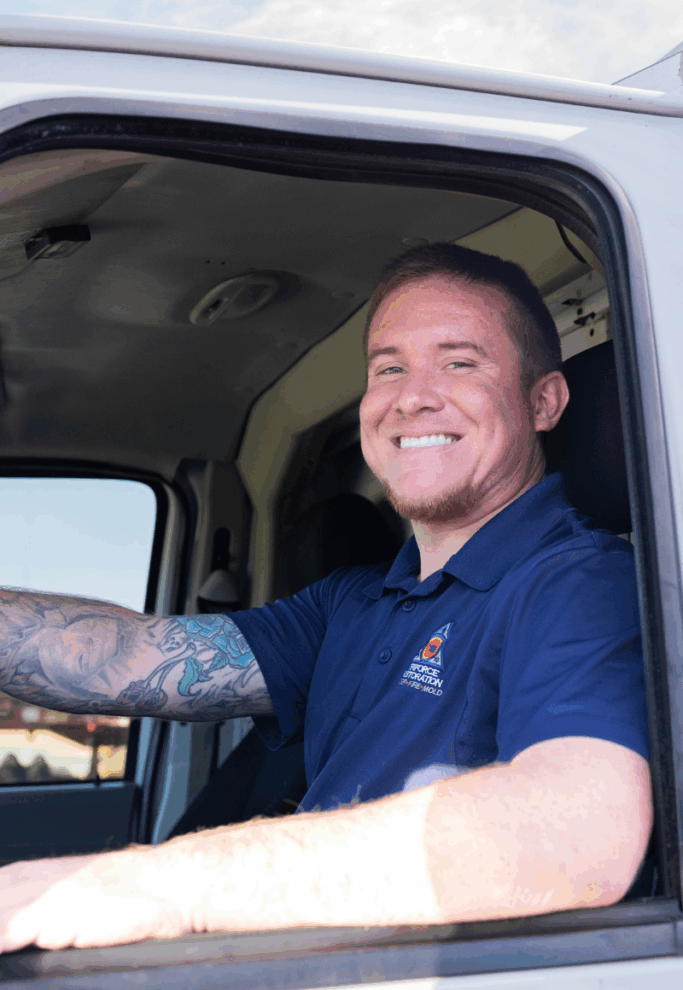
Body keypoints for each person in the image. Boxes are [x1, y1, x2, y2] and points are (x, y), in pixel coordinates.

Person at [0, 243, 651, 953]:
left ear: (542, 401)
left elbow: (578, 834)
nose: (412, 395)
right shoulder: (355, 599)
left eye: (459, 362)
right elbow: (127, 656)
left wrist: (157, 885)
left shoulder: (581, 582)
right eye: (388, 368)